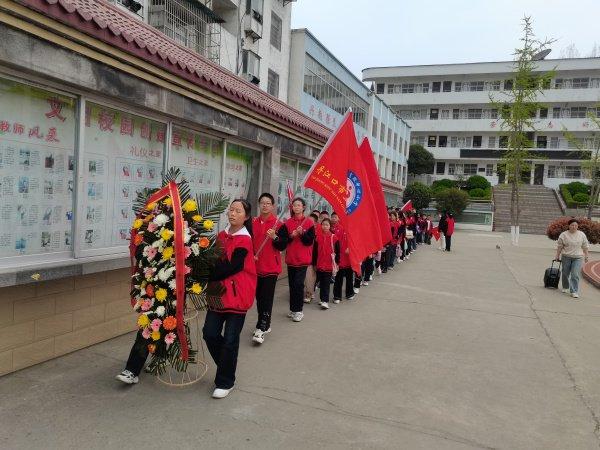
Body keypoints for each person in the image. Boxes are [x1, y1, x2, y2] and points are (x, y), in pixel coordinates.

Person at [203, 199, 257, 398]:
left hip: (237, 296)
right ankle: (226, 367)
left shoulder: (245, 239)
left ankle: (225, 381)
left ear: (246, 217)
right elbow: (213, 260)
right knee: (209, 333)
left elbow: (233, 266)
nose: (233, 213)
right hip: (218, 294)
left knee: (231, 341)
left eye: (238, 211)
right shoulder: (221, 235)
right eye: (231, 210)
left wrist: (208, 275)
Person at [251, 193, 289, 345]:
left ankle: (261, 328)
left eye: (268, 203)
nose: (265, 205)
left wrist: (275, 237)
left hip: (271, 268)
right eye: (262, 203)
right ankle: (266, 323)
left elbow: (283, 244)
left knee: (266, 298)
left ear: (273, 206)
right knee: (259, 298)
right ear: (259, 205)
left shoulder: (279, 225)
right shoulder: (253, 222)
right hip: (255, 267)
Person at [285, 198, 316, 322]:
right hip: (291, 258)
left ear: (303, 207)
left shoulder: (308, 223)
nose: (296, 207)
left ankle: (299, 311)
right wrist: (291, 236)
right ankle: (293, 309)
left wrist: (302, 232)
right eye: (294, 205)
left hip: (303, 259)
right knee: (292, 285)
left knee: (298, 284)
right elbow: (284, 240)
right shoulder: (288, 223)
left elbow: (309, 241)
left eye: (299, 205)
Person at [555, 218, 590, 299]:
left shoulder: (581, 234)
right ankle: (565, 287)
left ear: (577, 226)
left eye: (576, 225)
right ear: (569, 226)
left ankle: (574, 291)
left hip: (577, 258)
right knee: (565, 273)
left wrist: (586, 256)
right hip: (566, 257)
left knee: (575, 274)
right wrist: (557, 255)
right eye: (572, 225)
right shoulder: (564, 235)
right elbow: (560, 246)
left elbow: (585, 246)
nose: (574, 227)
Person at [312, 218, 340, 309]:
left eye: (327, 225)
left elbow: (338, 252)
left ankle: (325, 301)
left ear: (330, 226)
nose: (325, 226)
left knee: (326, 283)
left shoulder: (334, 237)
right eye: (323, 224)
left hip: (329, 265)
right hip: (319, 264)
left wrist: (337, 263)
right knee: (319, 282)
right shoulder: (317, 237)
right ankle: (321, 299)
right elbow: (315, 252)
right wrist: (314, 264)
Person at [333, 228, 355, 302]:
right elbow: (335, 242)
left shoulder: (352, 228)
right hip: (340, 258)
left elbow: (357, 241)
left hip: (349, 259)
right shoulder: (338, 228)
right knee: (339, 278)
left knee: (349, 277)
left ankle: (350, 293)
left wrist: (351, 248)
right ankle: (337, 296)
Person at [303, 213, 320, 304]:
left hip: (313, 259)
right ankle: (309, 292)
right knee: (306, 278)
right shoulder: (304, 231)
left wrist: (315, 262)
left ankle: (309, 294)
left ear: (316, 223)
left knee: (310, 277)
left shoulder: (319, 234)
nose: (308, 222)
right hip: (303, 258)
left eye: (311, 221)